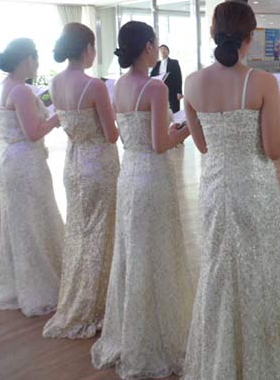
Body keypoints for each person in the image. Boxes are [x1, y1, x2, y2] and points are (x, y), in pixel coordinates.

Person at [182, 1, 280, 379]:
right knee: (260, 271)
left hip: (214, 189)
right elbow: (273, 150)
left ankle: (222, 362)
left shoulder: (192, 82)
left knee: (218, 272)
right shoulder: (261, 81)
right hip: (254, 188)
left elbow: (203, 146)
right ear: (250, 37)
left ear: (214, 34)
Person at [92, 22, 195, 379]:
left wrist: (171, 131)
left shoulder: (118, 85)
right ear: (149, 47)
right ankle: (155, 336)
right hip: (152, 177)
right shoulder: (154, 87)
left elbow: (132, 136)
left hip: (129, 175)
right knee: (157, 251)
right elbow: (160, 144)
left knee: (134, 252)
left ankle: (132, 330)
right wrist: (188, 128)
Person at [42, 23, 120, 339]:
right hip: (98, 165)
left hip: (73, 164)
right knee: (101, 233)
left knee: (78, 231)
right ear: (87, 48)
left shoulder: (54, 82)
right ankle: (95, 305)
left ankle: (75, 297)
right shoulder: (94, 86)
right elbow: (111, 134)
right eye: (94, 47)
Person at [0, 38, 64, 317]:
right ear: (27, 59)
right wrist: (57, 117)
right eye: (35, 59)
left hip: (6, 158)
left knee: (19, 224)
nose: (37, 64)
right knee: (34, 222)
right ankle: (39, 287)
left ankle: (22, 282)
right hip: (24, 162)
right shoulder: (21, 91)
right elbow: (34, 132)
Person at [150, 44, 183, 113]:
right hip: (159, 90)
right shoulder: (156, 64)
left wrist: (179, 92)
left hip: (172, 90)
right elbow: (151, 76)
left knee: (174, 110)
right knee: (161, 110)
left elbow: (178, 77)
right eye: (161, 49)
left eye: (164, 49)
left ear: (168, 52)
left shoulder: (174, 62)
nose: (162, 51)